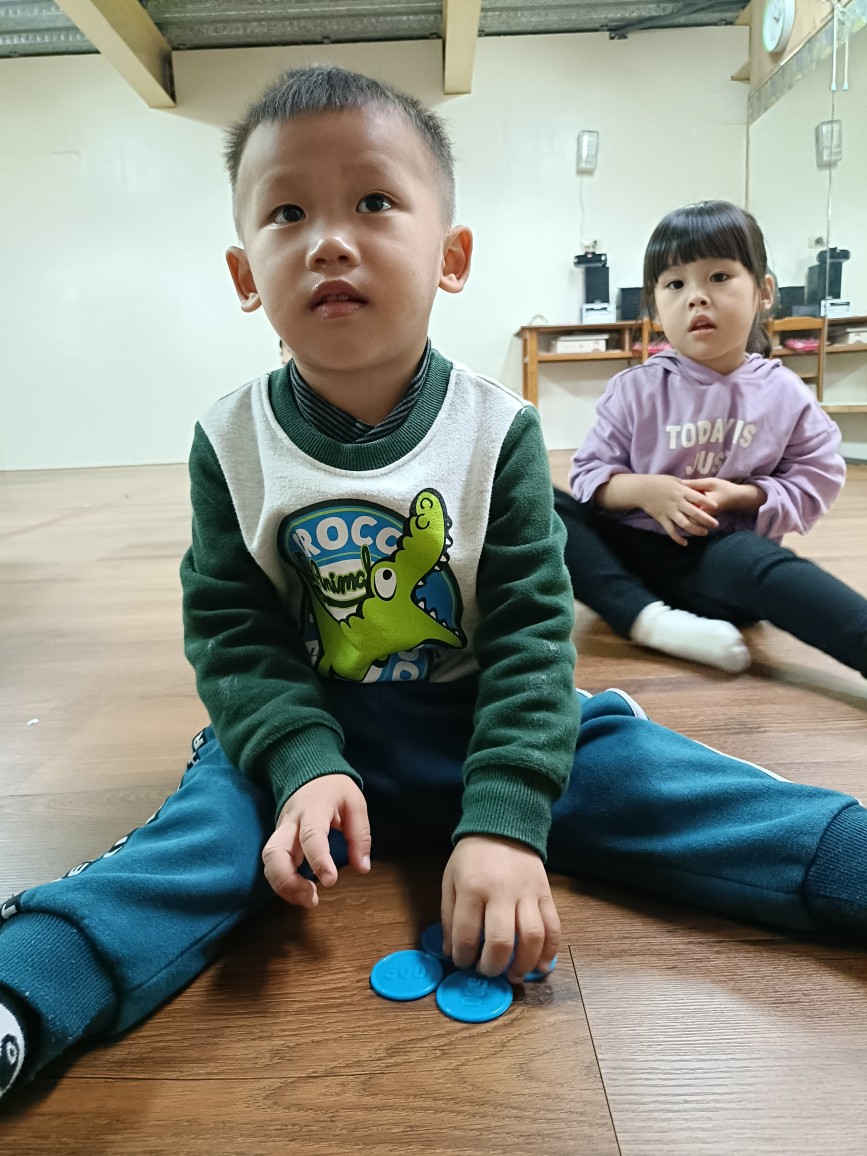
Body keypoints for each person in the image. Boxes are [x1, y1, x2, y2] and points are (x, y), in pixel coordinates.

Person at [2, 75, 867, 1106]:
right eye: (288, 213)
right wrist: (299, 763)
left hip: (485, 716)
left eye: (373, 202)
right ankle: (23, 992)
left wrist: (504, 820)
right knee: (194, 842)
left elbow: (533, 637)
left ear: (451, 256)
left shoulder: (497, 431)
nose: (329, 241)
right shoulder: (227, 441)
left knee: (664, 780)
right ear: (245, 273)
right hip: (310, 734)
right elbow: (234, 636)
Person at [555, 200, 867, 677]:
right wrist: (645, 490)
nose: (696, 298)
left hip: (721, 561)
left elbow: (816, 476)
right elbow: (589, 479)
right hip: (624, 559)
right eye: (675, 284)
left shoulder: (784, 394)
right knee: (534, 498)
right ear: (656, 304)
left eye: (719, 277)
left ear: (764, 292)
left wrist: (743, 496)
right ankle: (649, 621)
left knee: (775, 570)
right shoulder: (634, 388)